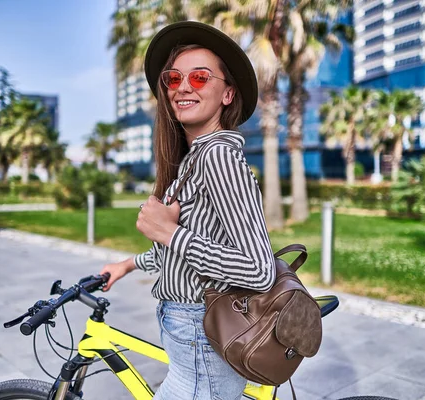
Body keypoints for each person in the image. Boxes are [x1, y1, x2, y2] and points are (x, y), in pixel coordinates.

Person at [100, 21, 276, 400]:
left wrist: (170, 232)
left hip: (202, 334)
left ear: (228, 94)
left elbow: (258, 270)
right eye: (173, 78)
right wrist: (129, 264)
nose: (182, 86)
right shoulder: (193, 161)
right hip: (188, 333)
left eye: (199, 77)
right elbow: (185, 256)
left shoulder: (217, 156)